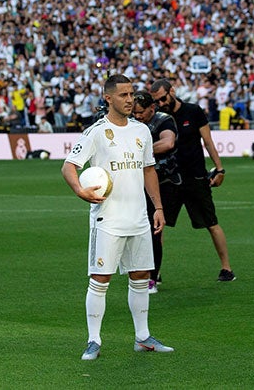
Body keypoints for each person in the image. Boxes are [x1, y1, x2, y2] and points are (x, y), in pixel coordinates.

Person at [61, 74, 174, 361]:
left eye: (132, 94)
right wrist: (79, 190)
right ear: (108, 98)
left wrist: (158, 208)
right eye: (123, 95)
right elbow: (69, 166)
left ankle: (143, 337)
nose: (130, 100)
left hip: (138, 217)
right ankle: (93, 340)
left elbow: (149, 170)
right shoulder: (96, 132)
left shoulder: (141, 131)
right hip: (108, 219)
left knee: (141, 276)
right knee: (100, 278)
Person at [149, 78, 235, 282]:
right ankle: (155, 272)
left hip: (195, 177)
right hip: (168, 180)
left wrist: (220, 169)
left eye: (162, 98)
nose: (161, 104)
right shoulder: (158, 118)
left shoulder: (193, 111)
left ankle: (226, 268)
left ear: (172, 91)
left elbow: (208, 142)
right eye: (157, 101)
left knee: (212, 223)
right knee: (159, 226)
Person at [132, 90, 182, 294]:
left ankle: (152, 277)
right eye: (134, 112)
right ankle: (148, 272)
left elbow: (168, 142)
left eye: (141, 112)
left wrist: (142, 151)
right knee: (142, 229)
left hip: (164, 181)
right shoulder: (133, 123)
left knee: (155, 230)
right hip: (138, 183)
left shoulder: (164, 120)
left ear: (152, 108)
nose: (137, 116)